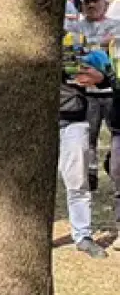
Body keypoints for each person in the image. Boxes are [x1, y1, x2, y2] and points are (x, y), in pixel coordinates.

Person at [65, 0, 120, 191]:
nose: (91, 5)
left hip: (112, 92)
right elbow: (72, 55)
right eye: (87, 1)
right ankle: (91, 174)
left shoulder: (117, 25)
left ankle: (112, 165)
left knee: (115, 135)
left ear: (105, 3)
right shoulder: (74, 28)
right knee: (89, 136)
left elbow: (115, 49)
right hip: (85, 92)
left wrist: (88, 47)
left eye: (95, 1)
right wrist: (101, 46)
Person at [60, 52, 109, 258]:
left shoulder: (77, 42)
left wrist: (97, 77)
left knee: (78, 181)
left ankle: (82, 235)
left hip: (73, 117)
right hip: (35, 121)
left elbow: (103, 72)